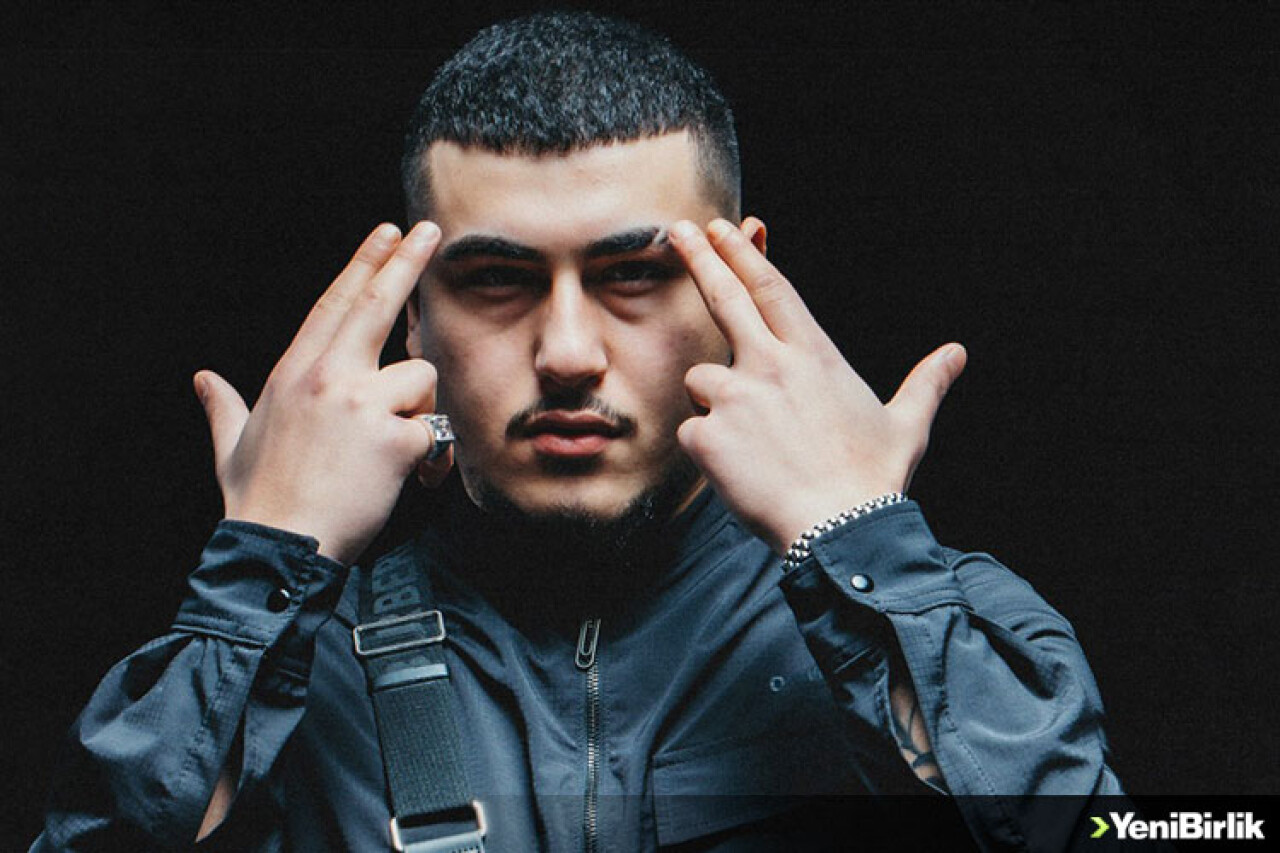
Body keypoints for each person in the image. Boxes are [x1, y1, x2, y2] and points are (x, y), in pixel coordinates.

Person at [33, 11, 1124, 852]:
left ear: (741, 284)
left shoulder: (954, 630)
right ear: (414, 315)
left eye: (632, 273)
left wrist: (861, 547)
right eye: (495, 279)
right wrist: (260, 571)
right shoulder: (289, 673)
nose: (564, 351)